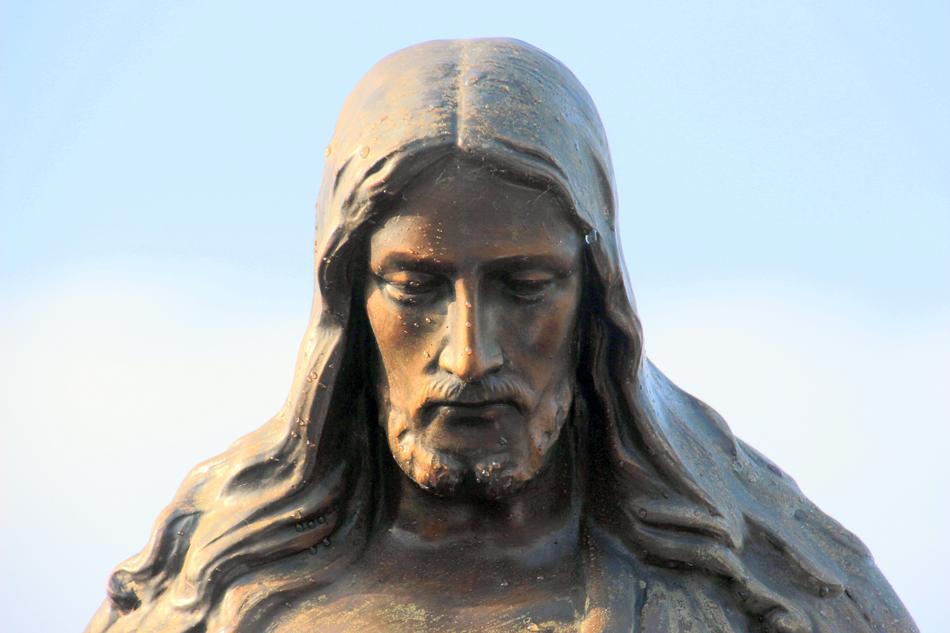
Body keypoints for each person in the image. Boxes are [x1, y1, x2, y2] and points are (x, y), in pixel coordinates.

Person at [86, 38, 917, 633]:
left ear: (598, 294)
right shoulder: (200, 600)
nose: (470, 354)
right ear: (347, 294)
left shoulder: (776, 596)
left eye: (526, 287)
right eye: (414, 287)